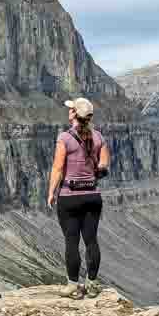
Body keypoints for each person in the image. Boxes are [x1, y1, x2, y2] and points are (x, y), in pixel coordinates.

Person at [47, 97, 111, 298]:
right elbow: (103, 165)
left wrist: (51, 192)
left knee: (71, 241)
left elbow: (57, 168)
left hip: (69, 197)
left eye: (71, 109)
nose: (68, 112)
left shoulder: (65, 138)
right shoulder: (99, 137)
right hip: (92, 196)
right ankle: (91, 284)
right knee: (91, 240)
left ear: (74, 114)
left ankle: (73, 287)